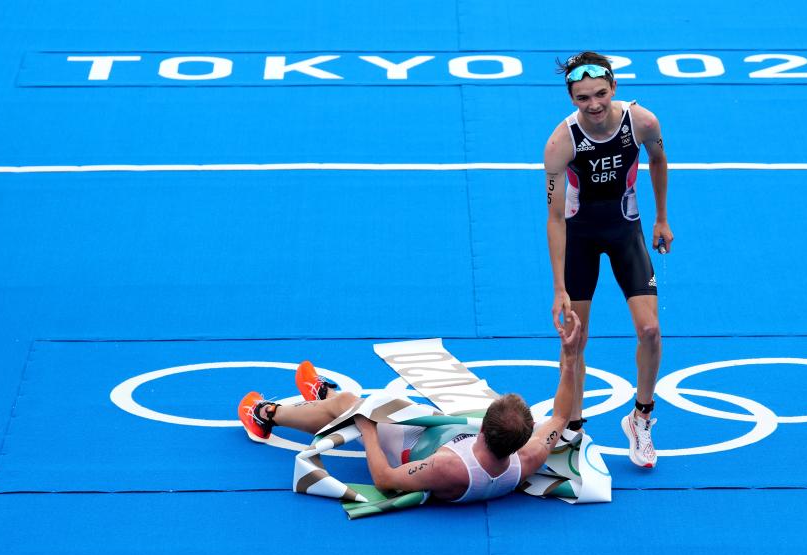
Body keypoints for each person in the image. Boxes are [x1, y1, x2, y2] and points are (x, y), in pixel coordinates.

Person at [238, 314, 584, 503]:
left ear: (482, 427)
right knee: (354, 405)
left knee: (349, 408)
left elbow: (385, 480)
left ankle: (266, 415)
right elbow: (559, 415)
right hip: (440, 432)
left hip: (410, 445)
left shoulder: (447, 467)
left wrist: (368, 431)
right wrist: (570, 360)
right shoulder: (528, 458)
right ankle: (324, 395)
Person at [544, 51, 673, 468]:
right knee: (574, 342)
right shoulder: (561, 143)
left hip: (625, 230)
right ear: (571, 98)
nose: (594, 104)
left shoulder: (642, 122)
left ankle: (641, 418)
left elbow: (657, 159)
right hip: (580, 237)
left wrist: (662, 219)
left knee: (650, 330)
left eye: (600, 93)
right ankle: (574, 430)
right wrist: (559, 288)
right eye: (583, 98)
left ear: (614, 87)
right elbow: (556, 218)